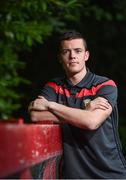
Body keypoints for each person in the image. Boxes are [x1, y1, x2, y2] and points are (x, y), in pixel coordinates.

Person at [28, 30, 126, 179]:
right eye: (66, 51)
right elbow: (35, 114)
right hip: (74, 176)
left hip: (109, 174)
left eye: (77, 51)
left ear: (86, 55)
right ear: (60, 58)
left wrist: (51, 105)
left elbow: (91, 122)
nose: (72, 56)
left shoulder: (104, 85)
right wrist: (83, 111)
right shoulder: (54, 86)